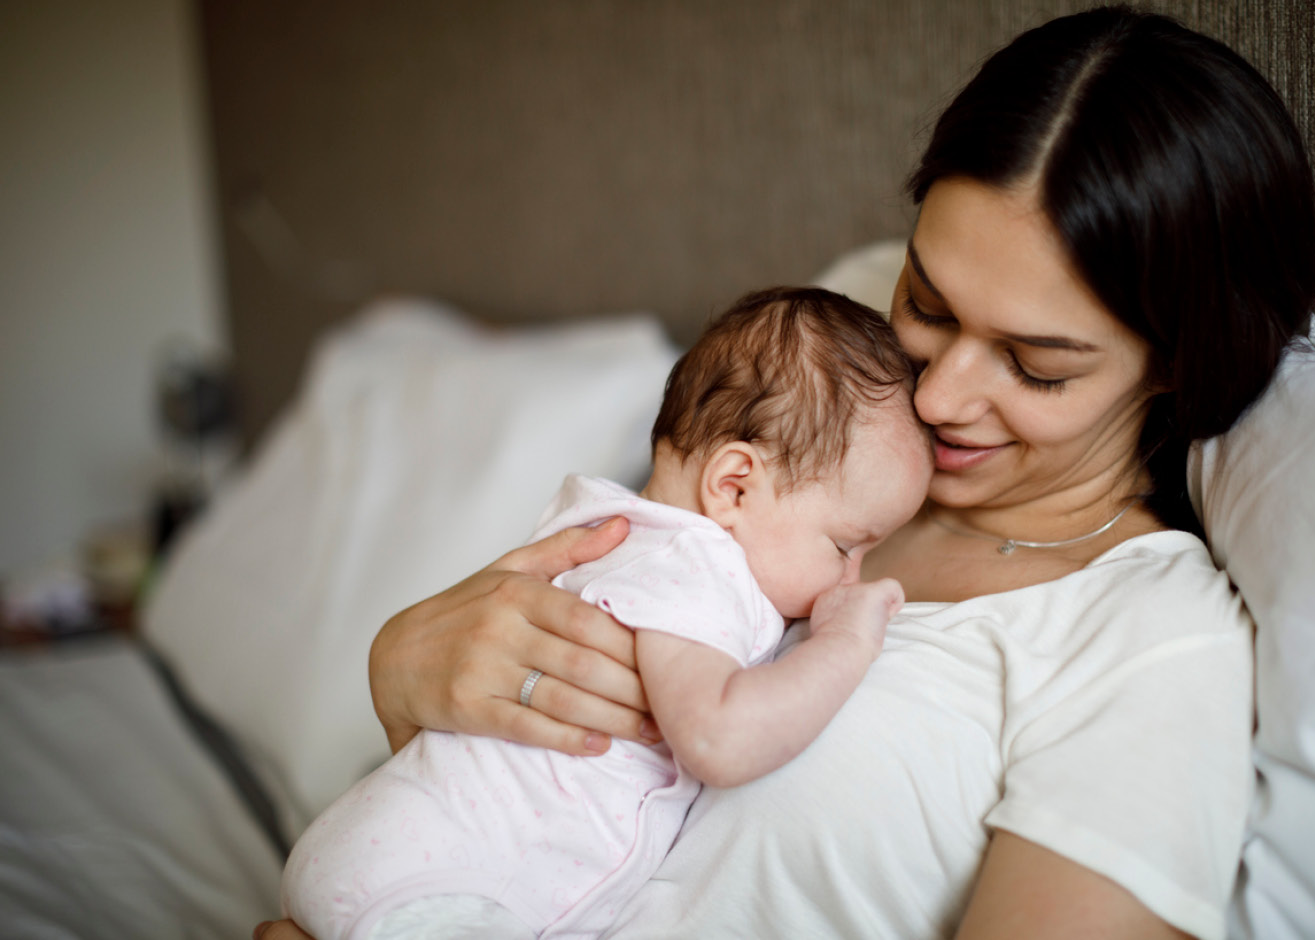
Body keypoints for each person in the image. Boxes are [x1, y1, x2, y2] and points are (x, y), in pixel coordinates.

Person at [257, 6, 1315, 939]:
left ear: (1175, 364)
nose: (939, 394)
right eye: (929, 305)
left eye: (1035, 366)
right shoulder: (815, 430)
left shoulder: (1146, 640)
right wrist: (404, 670)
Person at [278, 287, 934, 940]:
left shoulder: (611, 529)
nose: (853, 575)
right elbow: (719, 738)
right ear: (734, 485)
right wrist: (847, 640)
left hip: (396, 853)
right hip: (453, 884)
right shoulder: (695, 567)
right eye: (845, 546)